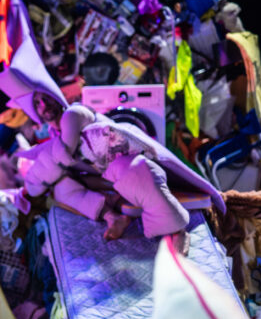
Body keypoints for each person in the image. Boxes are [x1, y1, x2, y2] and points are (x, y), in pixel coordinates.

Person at [27, 91, 193, 251]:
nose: (44, 105)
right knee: (61, 187)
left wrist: (40, 171)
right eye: (37, 103)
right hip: (106, 177)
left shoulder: (72, 113)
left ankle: (178, 230)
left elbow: (64, 155)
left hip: (129, 164)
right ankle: (113, 217)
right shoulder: (54, 133)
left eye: (46, 98)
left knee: (130, 169)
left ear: (56, 95)